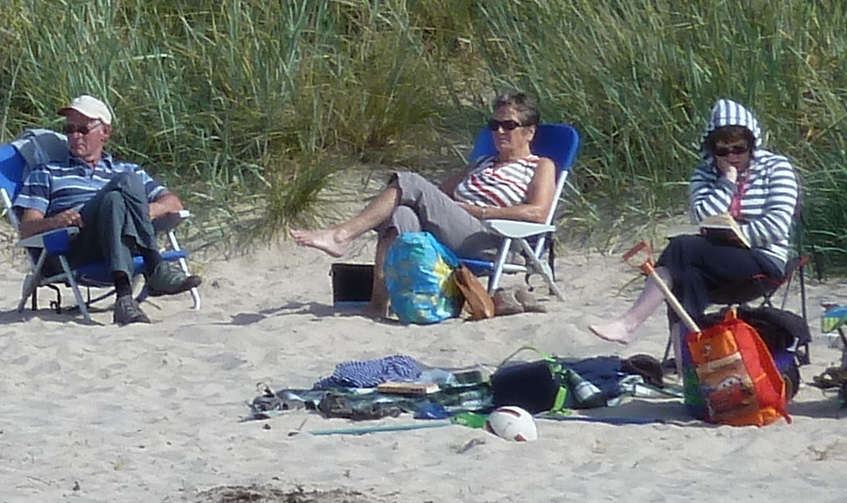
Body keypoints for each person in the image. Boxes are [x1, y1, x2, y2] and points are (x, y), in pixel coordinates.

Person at [587, 100, 800, 347]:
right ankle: (689, 365)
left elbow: (777, 226)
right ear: (712, 150)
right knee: (684, 277)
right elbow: (702, 215)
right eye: (723, 151)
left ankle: (628, 324)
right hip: (717, 260)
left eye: (739, 149)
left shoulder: (776, 167)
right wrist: (727, 184)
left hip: (763, 259)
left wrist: (738, 236)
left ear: (752, 145)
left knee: (681, 248)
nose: (732, 157)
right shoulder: (705, 173)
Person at [288, 91, 560, 276]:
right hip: (458, 231)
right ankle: (385, 299)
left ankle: (340, 236)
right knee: (402, 213)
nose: (499, 131)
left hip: (492, 240)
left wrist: (479, 211)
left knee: (410, 181)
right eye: (494, 124)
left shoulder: (539, 165)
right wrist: (453, 209)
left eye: (509, 125)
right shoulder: (481, 163)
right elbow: (437, 197)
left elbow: (537, 213)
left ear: (529, 131)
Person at [12, 95, 196, 325]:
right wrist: (56, 221)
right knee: (123, 186)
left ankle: (124, 298)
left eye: (83, 129)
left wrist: (140, 212)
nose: (74, 135)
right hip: (78, 246)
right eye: (69, 129)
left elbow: (174, 203)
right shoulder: (47, 173)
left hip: (122, 243)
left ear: (105, 133)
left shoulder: (125, 169)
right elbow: (27, 229)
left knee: (116, 201)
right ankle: (156, 265)